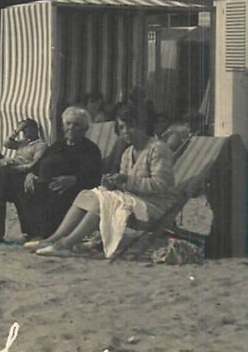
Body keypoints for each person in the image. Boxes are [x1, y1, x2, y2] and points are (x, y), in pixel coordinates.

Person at [27, 104, 177, 257]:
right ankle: (53, 239)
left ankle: (66, 244)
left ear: (144, 126)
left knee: (104, 202)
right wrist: (114, 184)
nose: (126, 131)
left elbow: (159, 185)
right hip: (135, 200)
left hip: (155, 205)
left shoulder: (157, 149)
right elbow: (125, 186)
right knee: (88, 195)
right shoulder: (128, 152)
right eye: (122, 127)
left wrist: (125, 179)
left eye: (131, 126)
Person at [8, 107, 102, 243]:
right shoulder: (57, 145)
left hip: (69, 188)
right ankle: (30, 232)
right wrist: (31, 174)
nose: (71, 128)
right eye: (68, 123)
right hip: (45, 183)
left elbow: (95, 176)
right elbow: (39, 163)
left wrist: (74, 179)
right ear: (63, 125)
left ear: (85, 128)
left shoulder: (90, 149)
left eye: (76, 125)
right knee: (20, 186)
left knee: (49, 193)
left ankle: (46, 234)